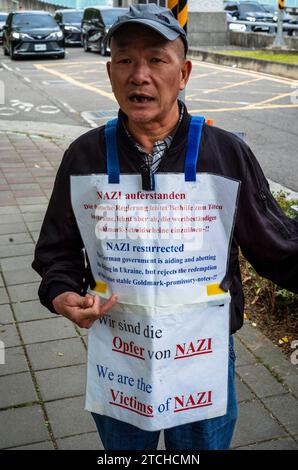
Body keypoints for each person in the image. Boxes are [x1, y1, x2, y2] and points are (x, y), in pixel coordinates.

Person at [32, 4, 298, 450]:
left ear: (184, 71)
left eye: (156, 59)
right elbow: (55, 252)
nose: (140, 75)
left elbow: (278, 246)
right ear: (109, 70)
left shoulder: (225, 154)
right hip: (120, 360)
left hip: (203, 361)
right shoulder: (83, 157)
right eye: (125, 60)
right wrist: (61, 294)